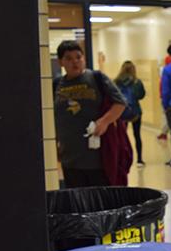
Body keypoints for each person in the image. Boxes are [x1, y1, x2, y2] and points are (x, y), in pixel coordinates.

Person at [53, 40, 132, 187]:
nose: (75, 62)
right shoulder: (56, 85)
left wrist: (104, 121)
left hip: (98, 157)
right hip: (69, 157)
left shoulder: (97, 78)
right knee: (78, 202)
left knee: (100, 202)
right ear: (61, 62)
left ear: (84, 58)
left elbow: (120, 103)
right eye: (68, 58)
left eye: (78, 57)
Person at [114, 60, 147, 167]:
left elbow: (114, 97)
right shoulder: (137, 82)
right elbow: (141, 95)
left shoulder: (116, 82)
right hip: (135, 112)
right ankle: (139, 160)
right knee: (137, 135)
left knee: (122, 136)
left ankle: (122, 158)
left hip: (121, 113)